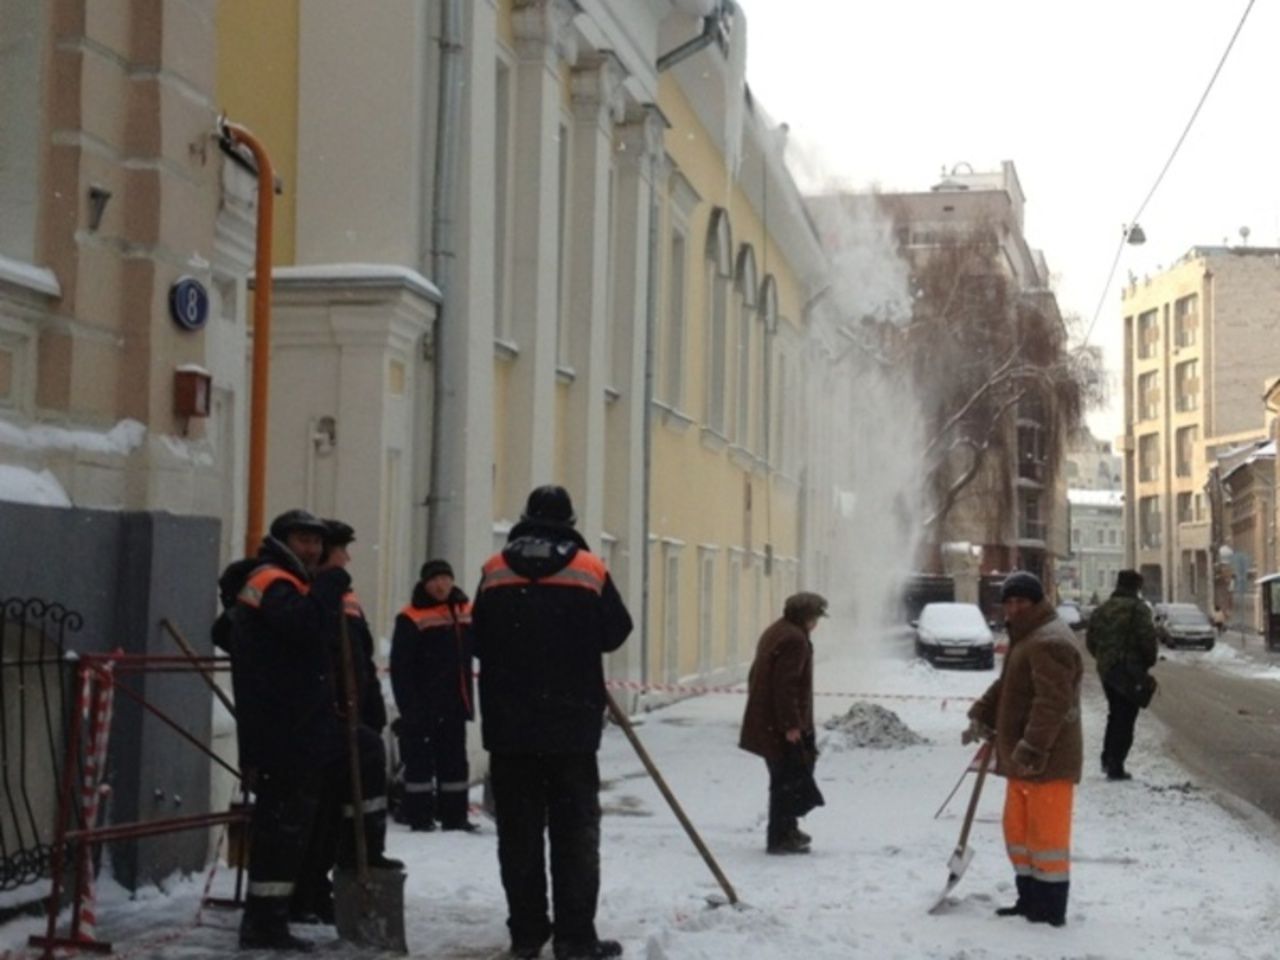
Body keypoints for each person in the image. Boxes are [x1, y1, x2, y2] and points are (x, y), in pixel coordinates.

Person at [218, 508, 400, 951]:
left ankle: (352, 867)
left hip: (310, 724)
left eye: (318, 542)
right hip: (284, 729)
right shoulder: (273, 582)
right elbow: (303, 628)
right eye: (304, 540)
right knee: (283, 826)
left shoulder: (295, 584)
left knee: (354, 764)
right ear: (282, 541)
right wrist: (330, 584)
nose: (314, 549)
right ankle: (266, 920)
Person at [471, 486, 632, 960]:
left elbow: (477, 638)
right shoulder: (588, 569)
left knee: (518, 836)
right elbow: (615, 632)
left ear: (525, 519)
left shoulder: (494, 570)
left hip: (509, 728)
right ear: (570, 520)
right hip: (571, 728)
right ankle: (574, 937)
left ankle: (526, 934)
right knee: (574, 834)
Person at [966, 571, 1082, 928]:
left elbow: (1052, 703)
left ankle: (1049, 909)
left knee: (1046, 838)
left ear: (1035, 602)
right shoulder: (1027, 636)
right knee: (1019, 832)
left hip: (1046, 759)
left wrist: (1032, 747)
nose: (1013, 607)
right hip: (1022, 758)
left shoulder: (1050, 642)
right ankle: (1028, 898)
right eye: (1009, 601)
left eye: (1021, 601)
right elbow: (1009, 686)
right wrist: (983, 714)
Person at [289, 519, 389, 926]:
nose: (347, 558)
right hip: (324, 720)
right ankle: (307, 891)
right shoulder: (313, 595)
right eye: (342, 550)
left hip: (349, 714)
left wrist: (372, 704)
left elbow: (359, 656)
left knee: (332, 813)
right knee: (318, 815)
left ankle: (324, 886)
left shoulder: (343, 596)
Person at [390, 558, 478, 832]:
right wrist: (409, 707)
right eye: (435, 580)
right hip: (423, 705)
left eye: (445, 579)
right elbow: (401, 666)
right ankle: (420, 817)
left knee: (454, 765)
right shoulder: (411, 617)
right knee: (420, 766)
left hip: (455, 702)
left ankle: (455, 817)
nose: (441, 585)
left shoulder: (464, 610)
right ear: (425, 583)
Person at [738, 592, 828, 855]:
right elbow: (785, 686)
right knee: (786, 780)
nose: (817, 623)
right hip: (780, 725)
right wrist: (792, 725)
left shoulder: (777, 631)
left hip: (768, 720)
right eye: (817, 617)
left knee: (787, 777)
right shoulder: (794, 640)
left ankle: (788, 830)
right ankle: (780, 836)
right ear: (807, 617)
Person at [1085, 569, 1158, 781]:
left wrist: (1104, 659)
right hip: (1131, 671)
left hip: (1107, 671)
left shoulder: (1102, 610)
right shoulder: (1138, 609)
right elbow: (1147, 639)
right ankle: (1115, 765)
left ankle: (1108, 759)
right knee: (1126, 718)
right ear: (1137, 586)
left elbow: (1091, 641)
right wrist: (1146, 663)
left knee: (1114, 713)